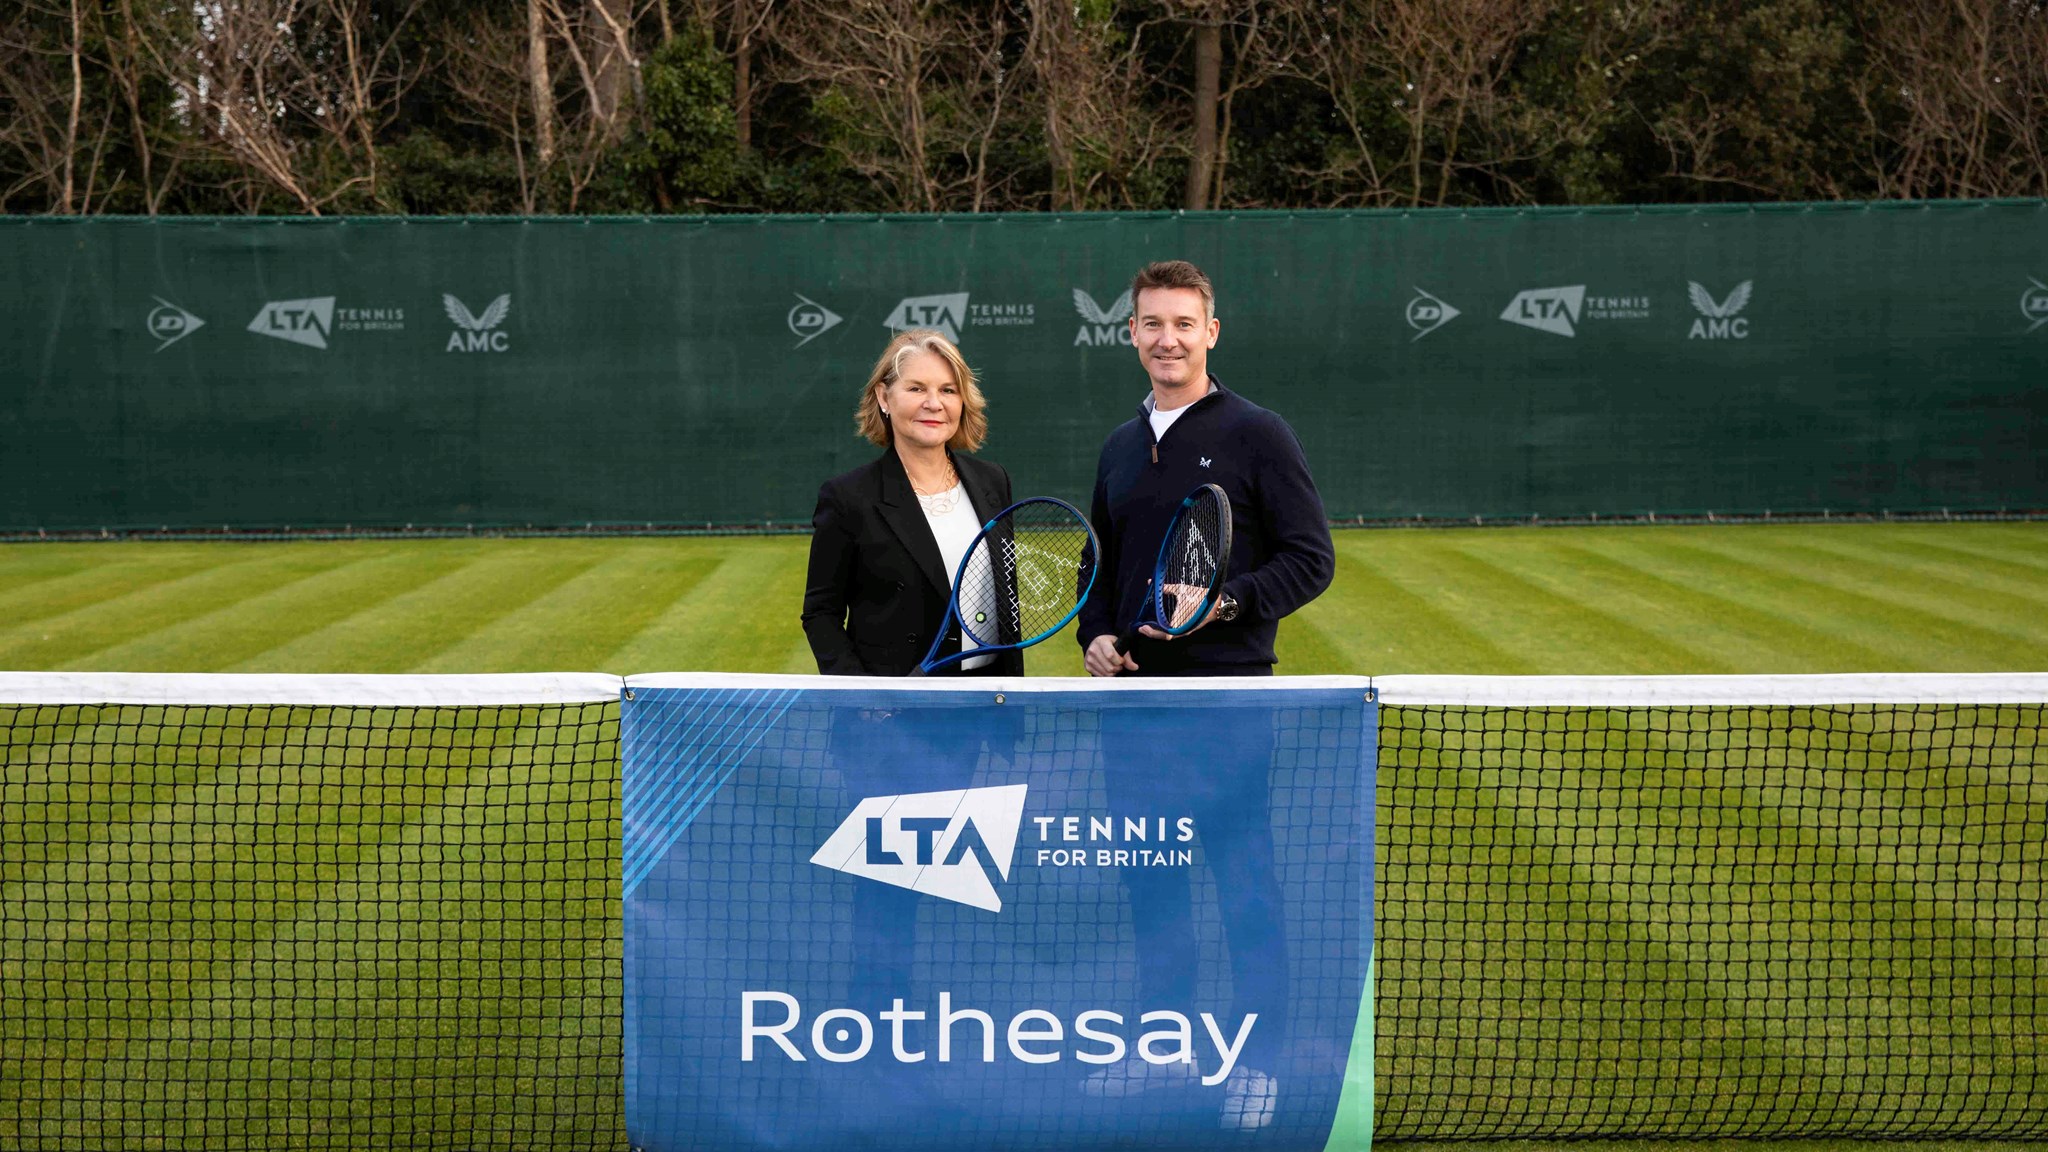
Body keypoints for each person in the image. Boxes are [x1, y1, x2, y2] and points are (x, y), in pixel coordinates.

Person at [1074, 260, 1335, 1132]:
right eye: (1151, 324)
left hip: (1228, 704)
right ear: (1133, 335)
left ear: (1211, 333)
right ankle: (1165, 1048)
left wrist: (1225, 604)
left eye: (1184, 324)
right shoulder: (1118, 444)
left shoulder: (1260, 432)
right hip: (1134, 711)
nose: (1168, 339)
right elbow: (1098, 567)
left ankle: (1256, 1065)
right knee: (1153, 885)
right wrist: (1095, 638)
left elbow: (1310, 558)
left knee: (1243, 886)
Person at [803, 327, 1023, 678]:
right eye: (916, 388)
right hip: (894, 711)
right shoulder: (848, 498)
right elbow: (820, 613)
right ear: (884, 398)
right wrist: (864, 696)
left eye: (948, 390)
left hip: (993, 697)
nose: (934, 403)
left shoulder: (992, 482)